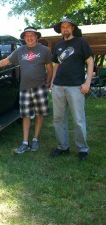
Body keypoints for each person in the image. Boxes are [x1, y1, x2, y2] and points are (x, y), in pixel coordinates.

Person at [0, 27, 53, 154]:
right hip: (25, 88)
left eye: (32, 35)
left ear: (36, 37)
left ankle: (35, 139)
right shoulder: (20, 50)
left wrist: (47, 83)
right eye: (27, 36)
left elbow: (50, 68)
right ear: (24, 38)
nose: (29, 38)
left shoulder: (45, 50)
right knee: (25, 115)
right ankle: (25, 142)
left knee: (39, 114)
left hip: (40, 87)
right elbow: (6, 61)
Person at [50, 18, 94, 160]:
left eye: (68, 26)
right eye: (63, 27)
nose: (65, 29)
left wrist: (87, 82)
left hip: (76, 86)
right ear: (61, 30)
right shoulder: (58, 45)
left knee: (78, 119)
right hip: (58, 86)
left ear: (72, 28)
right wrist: (52, 82)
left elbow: (90, 61)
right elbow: (56, 64)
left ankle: (82, 149)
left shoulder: (81, 42)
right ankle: (62, 147)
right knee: (58, 118)